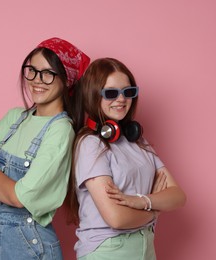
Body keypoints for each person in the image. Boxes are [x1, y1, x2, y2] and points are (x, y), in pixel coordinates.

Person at [0, 37, 90, 260]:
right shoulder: (14, 118)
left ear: (67, 80)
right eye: (32, 70)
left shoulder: (61, 130)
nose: (37, 80)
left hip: (30, 246)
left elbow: (19, 198)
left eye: (48, 73)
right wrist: (13, 193)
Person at [65, 57, 186, 259]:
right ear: (93, 95)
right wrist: (155, 210)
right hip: (108, 250)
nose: (121, 99)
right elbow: (116, 218)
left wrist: (141, 201)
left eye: (128, 92)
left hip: (145, 246)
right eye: (111, 93)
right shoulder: (90, 144)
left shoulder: (138, 141)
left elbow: (178, 197)